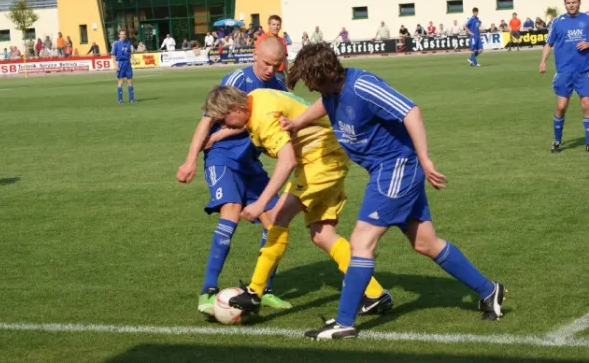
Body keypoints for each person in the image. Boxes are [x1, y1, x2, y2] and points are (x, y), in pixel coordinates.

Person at [282, 43, 506, 340]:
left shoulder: (363, 85)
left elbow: (410, 111)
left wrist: (425, 160)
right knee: (426, 243)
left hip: (396, 167)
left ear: (327, 72)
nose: (312, 89)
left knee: (361, 240)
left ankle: (344, 322)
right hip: (384, 170)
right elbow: (326, 103)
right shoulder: (331, 91)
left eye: (313, 82)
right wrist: (297, 122)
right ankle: (489, 291)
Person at [202, 86, 393, 317]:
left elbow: (287, 161)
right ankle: (376, 295)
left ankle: (255, 291)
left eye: (225, 121)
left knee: (277, 217)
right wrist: (224, 134)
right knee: (322, 235)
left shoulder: (263, 119)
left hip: (320, 162)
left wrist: (261, 203)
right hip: (329, 156)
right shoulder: (257, 96)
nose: (225, 126)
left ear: (236, 108)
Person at [176, 37, 292, 315]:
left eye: (276, 65)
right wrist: (190, 160)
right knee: (232, 209)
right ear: (255, 55)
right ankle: (208, 290)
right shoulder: (236, 79)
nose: (270, 70)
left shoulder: (277, 85)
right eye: (266, 63)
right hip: (222, 158)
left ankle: (262, 290)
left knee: (275, 221)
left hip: (251, 163)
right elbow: (206, 121)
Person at [539, 0, 589, 153]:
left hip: (584, 71)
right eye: (568, 3)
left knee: (587, 105)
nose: (571, 5)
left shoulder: (587, 19)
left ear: (579, 3)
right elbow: (549, 44)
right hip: (564, 72)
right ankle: (557, 141)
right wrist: (543, 62)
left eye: (574, 2)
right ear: (565, 4)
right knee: (560, 107)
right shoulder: (558, 22)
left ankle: (588, 142)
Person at [255, 15, 289, 83]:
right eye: (273, 24)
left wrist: (289, 74)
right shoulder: (262, 39)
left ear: (280, 26)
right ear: (269, 25)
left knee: (282, 93)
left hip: (280, 74)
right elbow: (257, 57)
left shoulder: (282, 41)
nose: (276, 27)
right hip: (265, 73)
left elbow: (284, 59)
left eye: (278, 25)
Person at [111, 30, 137, 104]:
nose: (122, 35)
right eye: (121, 34)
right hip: (120, 63)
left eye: (124, 34)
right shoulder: (116, 44)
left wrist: (133, 58)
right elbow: (113, 55)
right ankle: (120, 100)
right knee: (121, 81)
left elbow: (129, 53)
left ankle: (131, 99)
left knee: (130, 81)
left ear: (125, 35)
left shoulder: (128, 42)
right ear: (119, 35)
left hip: (127, 63)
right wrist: (115, 65)